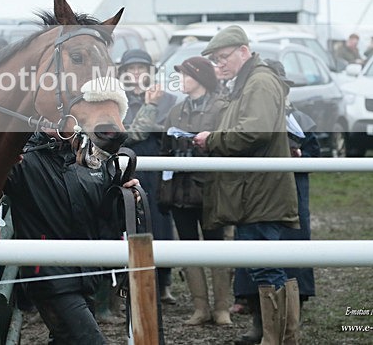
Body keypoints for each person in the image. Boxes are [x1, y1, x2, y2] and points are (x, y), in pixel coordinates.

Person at [193, 25, 300, 344]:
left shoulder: (260, 81)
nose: (219, 64)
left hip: (260, 193)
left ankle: (279, 337)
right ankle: (276, 334)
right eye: (215, 60)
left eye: (223, 57)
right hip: (254, 191)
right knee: (262, 267)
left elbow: (256, 132)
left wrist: (213, 139)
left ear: (244, 51)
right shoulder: (249, 82)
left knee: (266, 267)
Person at [5, 130, 142, 345]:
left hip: (87, 275)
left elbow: (106, 219)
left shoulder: (90, 158)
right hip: (49, 277)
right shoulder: (21, 157)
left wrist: (127, 200)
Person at [159, 56, 231, 327]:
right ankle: (201, 307)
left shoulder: (222, 108)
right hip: (180, 190)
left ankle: (222, 307)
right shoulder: (175, 111)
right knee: (188, 249)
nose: (182, 80)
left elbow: (229, 145)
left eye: (186, 75)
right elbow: (164, 150)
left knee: (217, 248)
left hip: (212, 190)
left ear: (200, 78)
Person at [118, 48, 177, 304]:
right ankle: (129, 283)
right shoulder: (116, 101)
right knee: (129, 223)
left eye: (141, 68)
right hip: (127, 169)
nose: (136, 74)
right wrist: (149, 106)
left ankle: (164, 282)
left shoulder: (169, 99)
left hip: (157, 171)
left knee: (162, 224)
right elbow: (128, 135)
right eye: (131, 69)